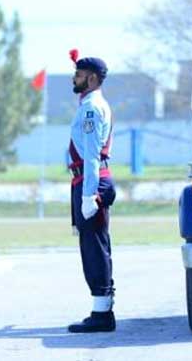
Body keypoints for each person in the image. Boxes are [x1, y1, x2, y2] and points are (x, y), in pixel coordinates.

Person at [66, 50, 117, 333]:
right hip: (87, 179)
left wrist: (88, 195)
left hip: (90, 181)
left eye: (79, 74)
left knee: (94, 248)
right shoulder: (87, 104)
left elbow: (92, 154)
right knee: (95, 245)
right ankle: (103, 308)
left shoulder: (90, 108)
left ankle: (101, 314)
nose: (74, 78)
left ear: (92, 78)